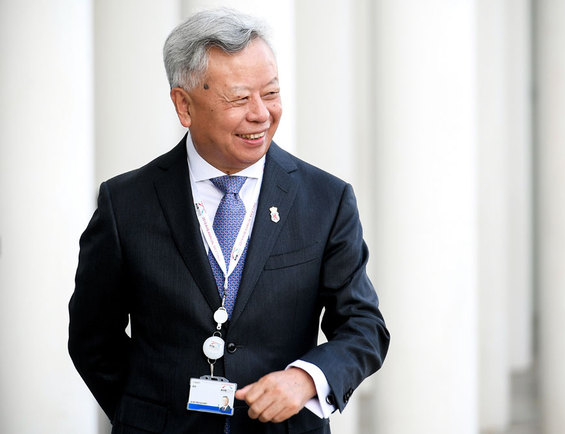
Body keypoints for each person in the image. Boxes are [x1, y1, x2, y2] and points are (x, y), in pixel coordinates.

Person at [68, 8, 389, 434]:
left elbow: (363, 327)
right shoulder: (125, 203)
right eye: (239, 98)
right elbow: (93, 336)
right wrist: (146, 411)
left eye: (271, 93)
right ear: (184, 105)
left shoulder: (326, 200)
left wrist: (304, 379)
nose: (261, 114)